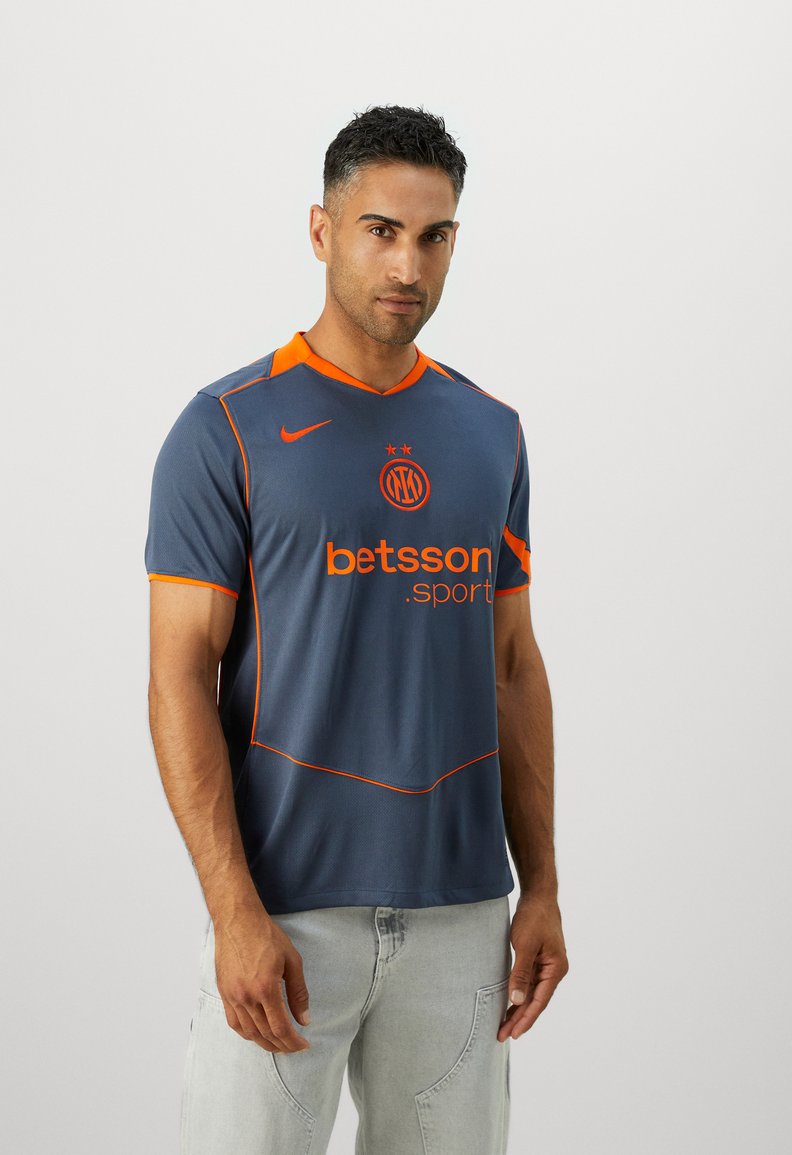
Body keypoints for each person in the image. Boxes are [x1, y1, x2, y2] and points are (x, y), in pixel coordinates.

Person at [145, 103, 568, 1155]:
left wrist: (542, 887)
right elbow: (180, 675)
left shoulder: (491, 433)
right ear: (321, 230)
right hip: (285, 913)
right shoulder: (227, 427)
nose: (407, 265)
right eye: (381, 230)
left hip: (462, 915)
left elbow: (512, 666)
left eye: (433, 236)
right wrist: (233, 911)